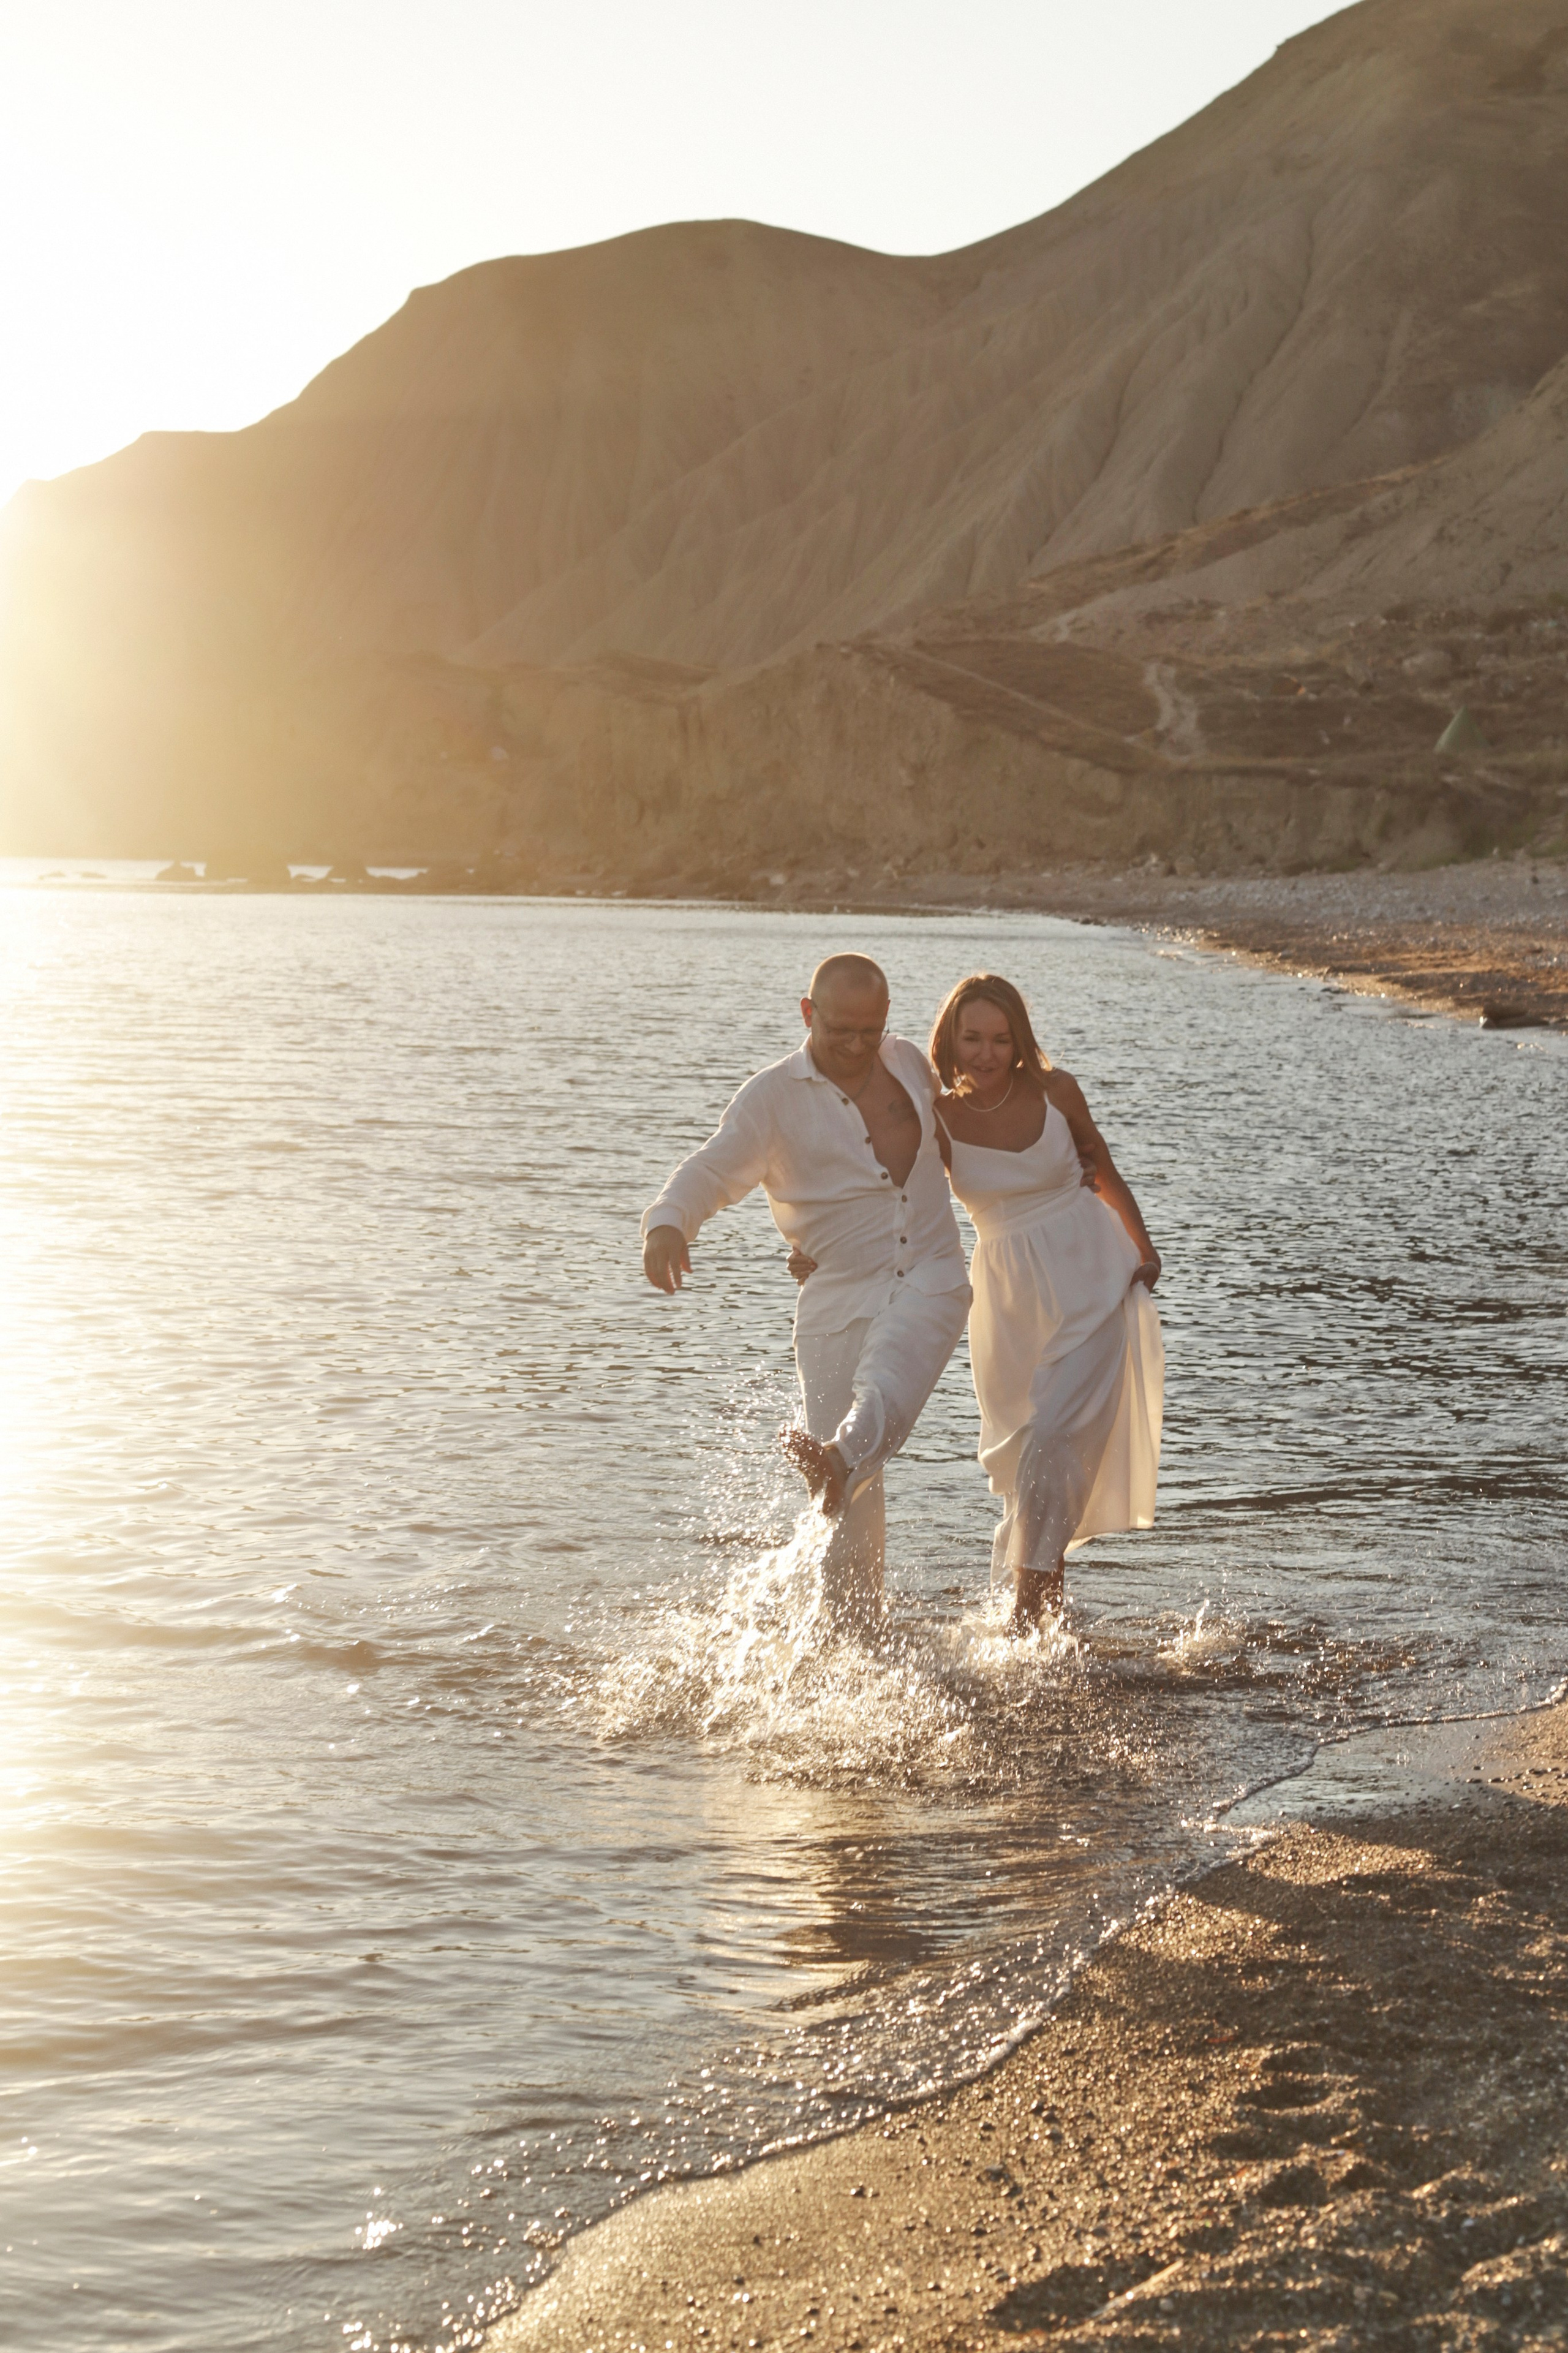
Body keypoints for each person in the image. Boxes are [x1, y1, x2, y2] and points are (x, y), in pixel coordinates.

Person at [640, 954, 971, 1628]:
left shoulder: (909, 1062)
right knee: (846, 1494)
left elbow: (982, 1123)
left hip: (931, 1272)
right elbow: (711, 1168)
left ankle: (844, 1456)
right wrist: (668, 1223)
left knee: (886, 1384)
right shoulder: (770, 1098)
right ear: (806, 1013)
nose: (856, 1046)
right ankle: (848, 1634)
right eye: (840, 1030)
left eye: (869, 1031)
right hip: (833, 1295)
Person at [929, 972, 1163, 1631]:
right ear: (949, 1038)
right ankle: (1044, 1622)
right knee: (1030, 1452)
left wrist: (1145, 1249)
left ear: (1019, 1040)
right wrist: (812, 1247)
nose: (985, 1052)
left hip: (1088, 1273)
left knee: (1056, 1437)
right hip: (1006, 1300)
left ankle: (1025, 1615)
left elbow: (1104, 1168)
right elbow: (892, 1195)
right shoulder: (938, 1118)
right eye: (971, 1037)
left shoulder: (1057, 1092)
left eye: (1000, 1039)